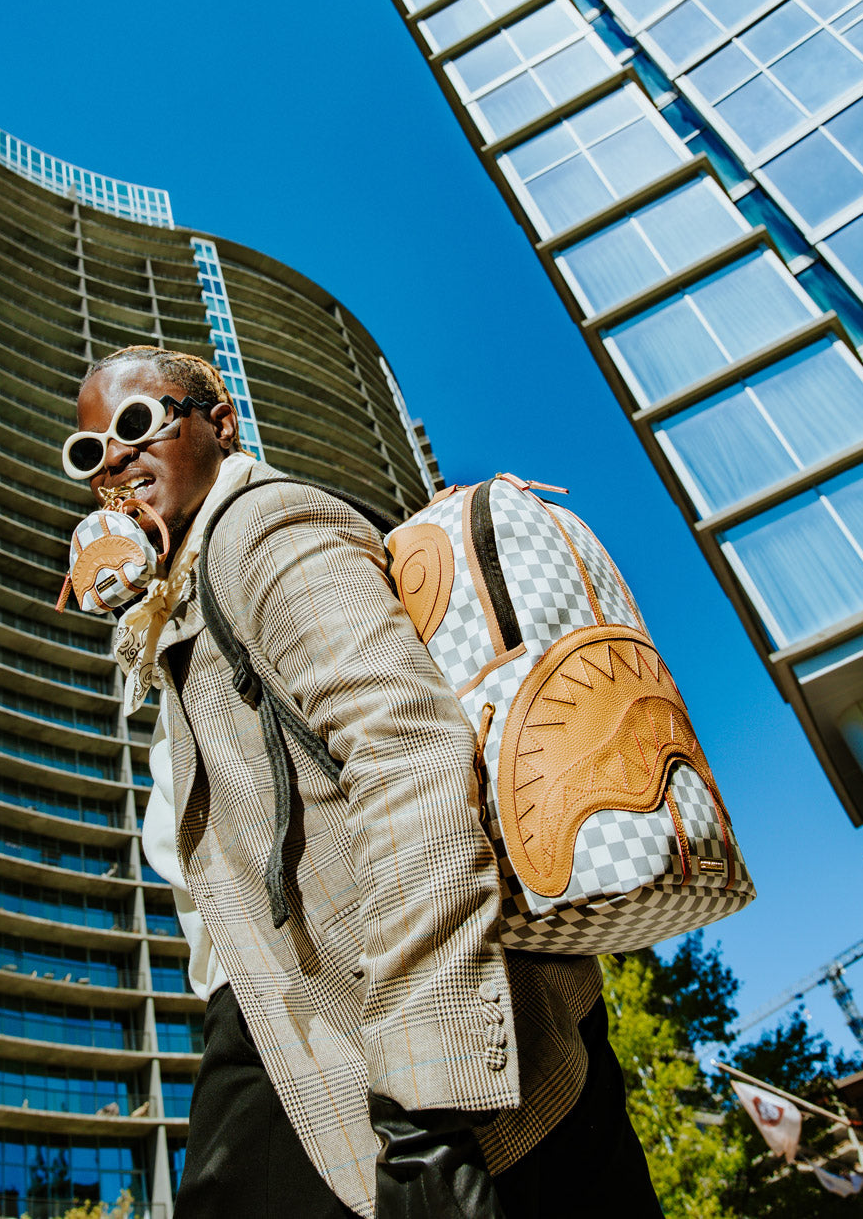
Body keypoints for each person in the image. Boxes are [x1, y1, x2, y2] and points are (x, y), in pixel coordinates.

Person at [70, 345, 662, 1219]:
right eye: (88, 453)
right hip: (285, 1016)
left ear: (220, 423)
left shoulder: (265, 530)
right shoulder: (184, 600)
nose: (113, 460)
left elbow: (410, 754)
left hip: (384, 1016)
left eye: (136, 424)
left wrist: (431, 1096)